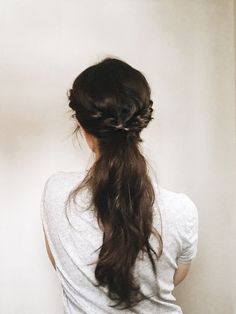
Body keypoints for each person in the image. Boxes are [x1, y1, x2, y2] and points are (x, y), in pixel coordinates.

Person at [40, 57, 199, 314]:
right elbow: (173, 277)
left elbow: (59, 262)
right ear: (141, 123)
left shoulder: (56, 192)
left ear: (80, 124)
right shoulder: (182, 209)